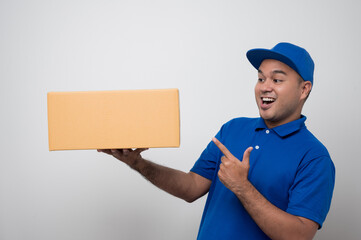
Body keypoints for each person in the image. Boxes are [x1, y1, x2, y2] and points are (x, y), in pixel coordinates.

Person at [98, 42, 335, 240]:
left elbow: (299, 235)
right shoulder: (232, 128)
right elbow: (191, 187)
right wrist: (137, 163)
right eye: (261, 78)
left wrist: (242, 187)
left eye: (277, 80)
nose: (265, 87)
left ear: (304, 89)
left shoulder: (314, 157)